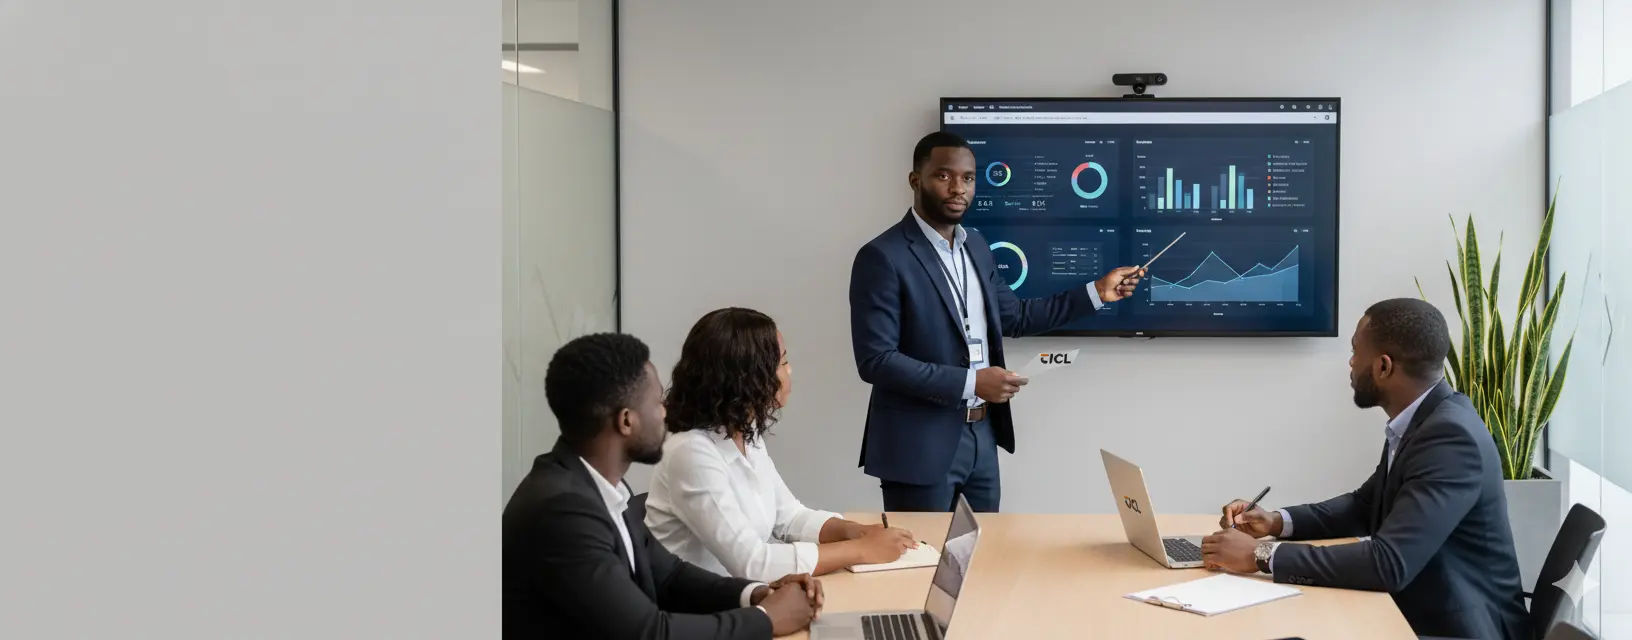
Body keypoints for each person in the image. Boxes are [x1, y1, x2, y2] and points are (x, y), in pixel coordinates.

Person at [848, 131, 1145, 512]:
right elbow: (876, 360)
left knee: (986, 558)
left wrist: (1097, 292)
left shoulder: (976, 246)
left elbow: (1016, 317)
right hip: (919, 447)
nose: (958, 188)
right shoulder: (882, 257)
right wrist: (973, 381)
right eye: (944, 176)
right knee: (922, 565)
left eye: (968, 178)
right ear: (915, 180)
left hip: (982, 436)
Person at [1200, 298, 1530, 640]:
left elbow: (1389, 563)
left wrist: (1261, 555)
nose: (1351, 363)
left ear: (1384, 366)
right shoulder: (1427, 421)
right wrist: (1275, 523)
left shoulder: (1449, 437)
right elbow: (1365, 505)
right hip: (1419, 611)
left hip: (1458, 630)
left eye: (1356, 352)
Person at [502, 332, 824, 640]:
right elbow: (647, 633)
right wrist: (767, 620)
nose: (665, 412)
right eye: (657, 403)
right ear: (626, 421)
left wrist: (757, 594)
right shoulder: (562, 511)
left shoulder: (599, 488)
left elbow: (669, 577)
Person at [646, 308, 919, 581]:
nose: (789, 371)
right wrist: (861, 550)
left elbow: (788, 517)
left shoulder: (742, 427)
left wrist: (854, 531)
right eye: (782, 362)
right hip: (696, 612)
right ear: (748, 376)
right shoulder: (691, 453)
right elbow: (753, 563)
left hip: (739, 597)